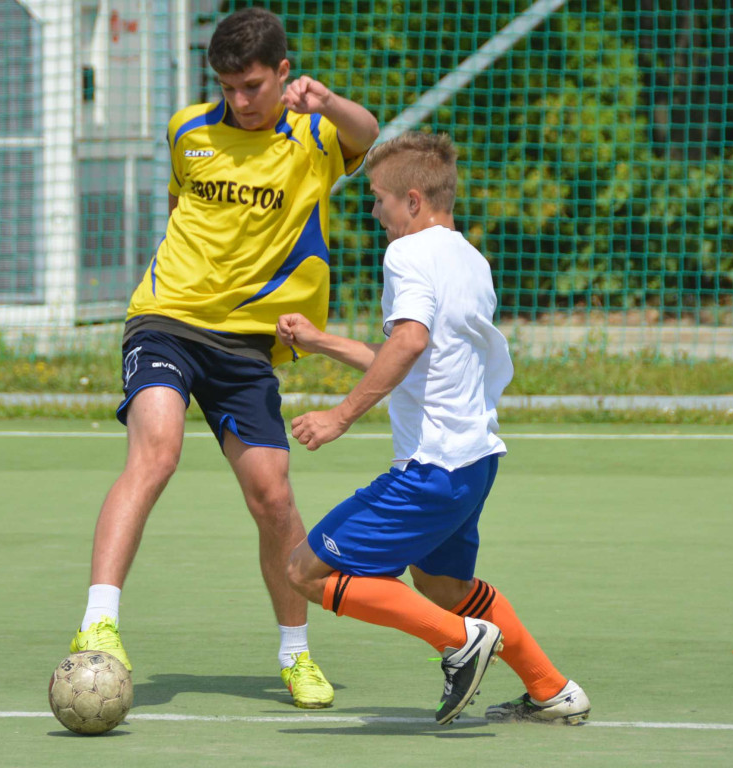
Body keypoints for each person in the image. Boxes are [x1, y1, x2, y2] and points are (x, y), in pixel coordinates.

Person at [69, 7, 379, 710]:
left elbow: (371, 134)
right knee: (157, 451)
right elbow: (184, 208)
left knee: (273, 499)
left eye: (252, 86)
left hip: (246, 344)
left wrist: (326, 101)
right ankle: (98, 627)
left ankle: (295, 655)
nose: (239, 100)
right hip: (166, 320)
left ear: (282, 73)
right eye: (228, 87)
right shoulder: (188, 129)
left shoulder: (315, 133)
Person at [277, 131, 590, 725]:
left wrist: (339, 416)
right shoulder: (471, 259)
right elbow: (414, 354)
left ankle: (456, 641)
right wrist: (320, 342)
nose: (375, 213)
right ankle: (552, 688)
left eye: (379, 201)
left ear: (413, 201)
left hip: (430, 470)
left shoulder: (406, 254)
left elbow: (411, 340)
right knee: (443, 582)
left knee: (306, 571)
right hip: (474, 462)